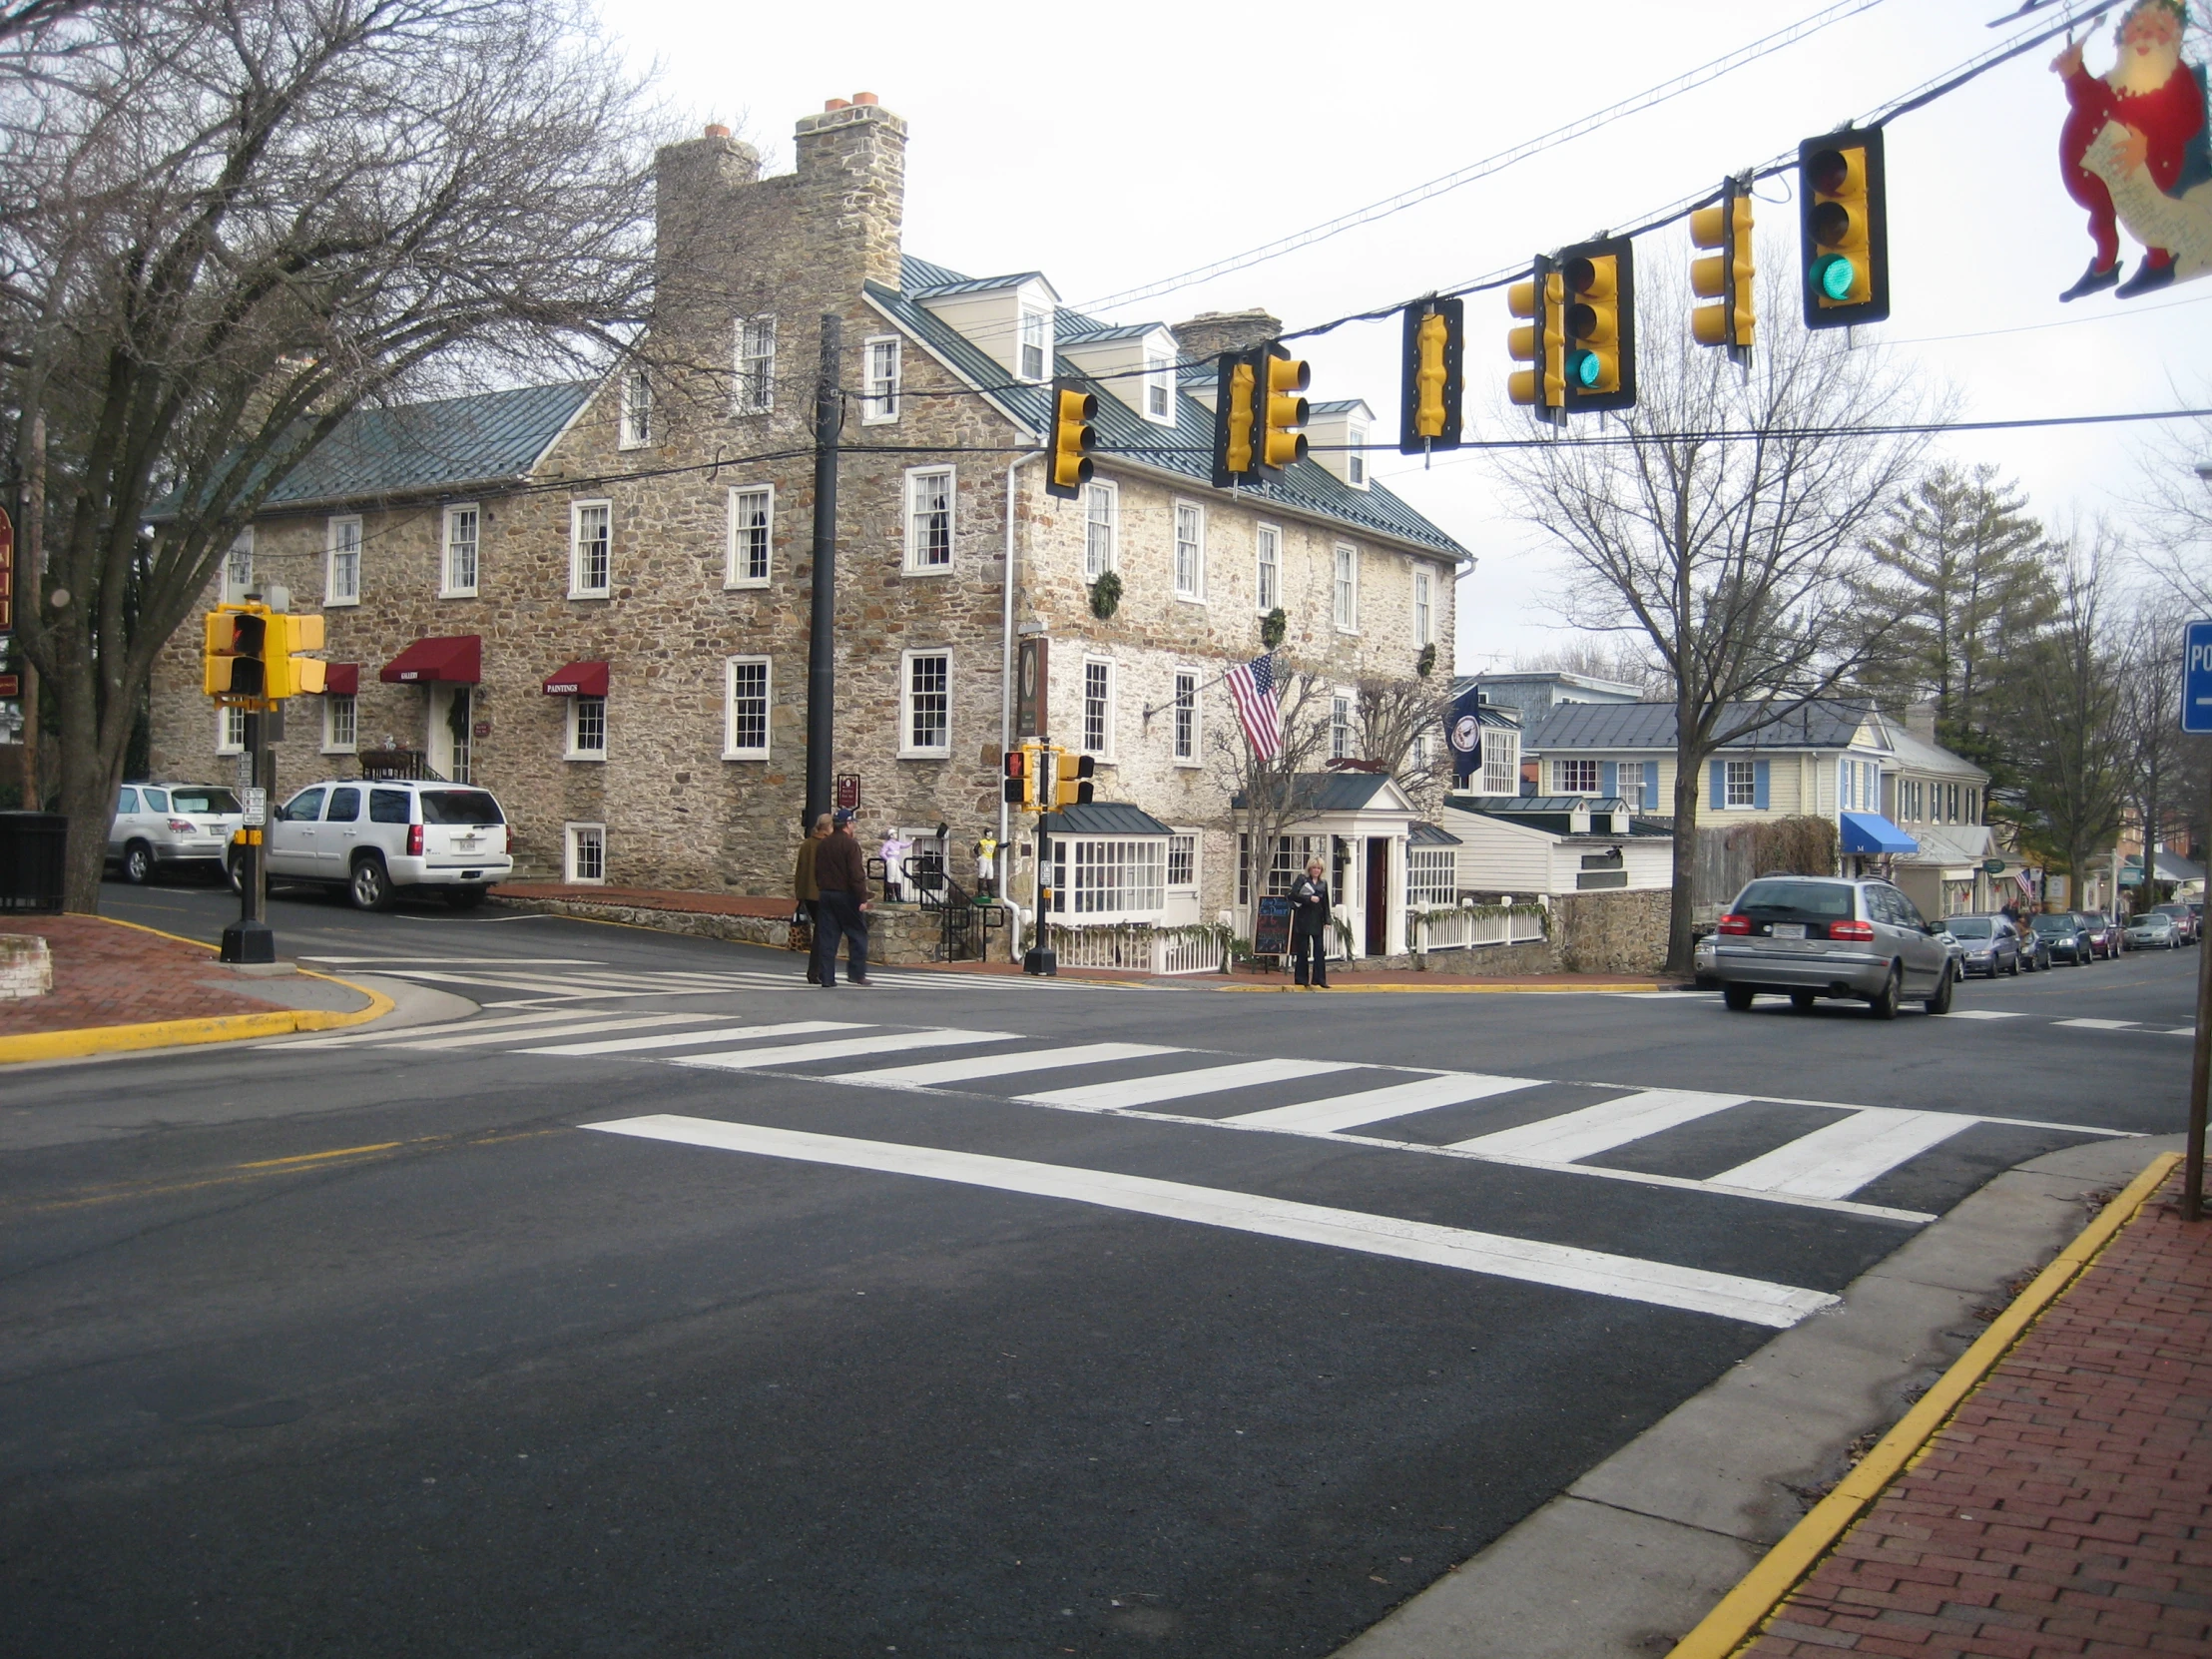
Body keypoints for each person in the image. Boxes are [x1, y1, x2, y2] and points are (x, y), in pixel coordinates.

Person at [2053, 0, 2207, 300]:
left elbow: (2189, 120)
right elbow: (2090, 101)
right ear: (2123, 36)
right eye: (2138, 28)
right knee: (2103, 217)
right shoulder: (2116, 79)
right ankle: (2104, 268)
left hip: (2149, 161)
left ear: (2174, 38)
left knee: (2140, 210)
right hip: (2098, 166)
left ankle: (2158, 262)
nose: (2146, 35)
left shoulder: (2172, 78)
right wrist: (2073, 73)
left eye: (2160, 29)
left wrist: (2148, 142)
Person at [813, 808, 873, 988]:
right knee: (857, 934)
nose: (854, 826)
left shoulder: (823, 844)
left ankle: (827, 977)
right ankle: (856, 974)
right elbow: (856, 874)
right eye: (853, 823)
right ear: (847, 824)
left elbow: (817, 871)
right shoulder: (850, 845)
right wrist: (862, 898)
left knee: (828, 937)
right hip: (846, 895)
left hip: (826, 893)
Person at [794, 815, 830, 985]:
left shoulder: (806, 844)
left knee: (821, 932)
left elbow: (799, 870)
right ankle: (817, 971)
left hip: (807, 894)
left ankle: (816, 971)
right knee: (823, 934)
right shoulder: (827, 845)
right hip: (822, 894)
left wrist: (799, 894)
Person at [1288, 855, 1332, 989]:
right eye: (1314, 868)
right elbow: (1292, 895)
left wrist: (1327, 920)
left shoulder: (1323, 884)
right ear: (1309, 868)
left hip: (1317, 920)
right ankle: (1301, 979)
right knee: (1302, 950)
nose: (1316, 870)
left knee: (1319, 950)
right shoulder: (1302, 879)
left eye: (1318, 868)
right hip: (1303, 919)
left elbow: (1326, 904)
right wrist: (1308, 898)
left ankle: (1319, 979)